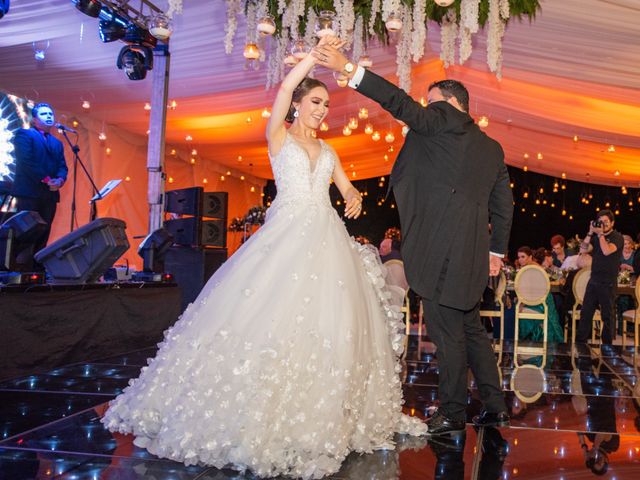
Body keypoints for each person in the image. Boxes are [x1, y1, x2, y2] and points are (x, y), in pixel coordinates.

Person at [102, 37, 425, 479]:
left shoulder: (329, 150)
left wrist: (351, 197)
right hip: (286, 236)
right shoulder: (278, 136)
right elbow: (279, 94)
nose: (322, 110)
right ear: (297, 103)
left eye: (326, 104)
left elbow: (346, 187)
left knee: (328, 324)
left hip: (328, 239)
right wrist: (313, 57)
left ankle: (320, 416)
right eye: (315, 101)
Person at [314, 42, 513, 435]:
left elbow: (399, 102)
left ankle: (453, 411)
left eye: (432, 101)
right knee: (471, 329)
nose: (427, 108)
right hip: (472, 256)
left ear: (450, 102)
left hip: (440, 251)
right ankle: (496, 404)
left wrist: (349, 69)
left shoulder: (439, 119)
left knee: (447, 334)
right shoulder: (491, 148)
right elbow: (504, 206)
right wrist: (495, 252)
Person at [11, 102, 67, 257]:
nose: (49, 116)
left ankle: (37, 265)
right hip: (29, 192)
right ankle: (18, 265)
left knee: (44, 229)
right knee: (26, 230)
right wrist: (47, 179)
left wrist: (60, 180)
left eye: (50, 114)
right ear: (34, 119)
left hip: (49, 195)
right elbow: (26, 161)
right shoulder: (25, 134)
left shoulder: (57, 143)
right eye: (44, 114)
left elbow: (62, 166)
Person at [575, 209, 623, 344]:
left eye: (606, 222)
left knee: (607, 316)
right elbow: (582, 250)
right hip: (594, 280)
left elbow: (607, 251)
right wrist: (590, 232)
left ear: (612, 223)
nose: (603, 224)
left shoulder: (617, 237)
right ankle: (580, 344)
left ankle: (607, 347)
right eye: (600, 222)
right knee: (585, 314)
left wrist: (600, 234)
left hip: (608, 282)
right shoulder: (596, 238)